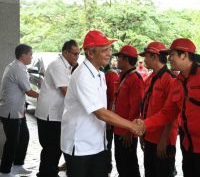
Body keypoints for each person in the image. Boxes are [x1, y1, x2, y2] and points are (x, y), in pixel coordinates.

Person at [135, 38, 200, 177]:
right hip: (188, 149)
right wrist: (145, 124)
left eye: (172, 55)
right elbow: (167, 113)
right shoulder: (177, 83)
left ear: (185, 55)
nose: (169, 58)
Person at [60, 30, 142, 177]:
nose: (109, 53)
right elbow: (100, 112)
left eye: (109, 49)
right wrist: (132, 126)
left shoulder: (99, 73)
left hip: (97, 144)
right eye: (104, 50)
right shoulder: (82, 76)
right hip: (80, 146)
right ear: (91, 53)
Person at [35, 40, 80, 177]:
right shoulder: (57, 65)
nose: (77, 57)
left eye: (78, 54)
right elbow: (66, 91)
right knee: (52, 149)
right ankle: (46, 174)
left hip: (57, 113)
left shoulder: (67, 66)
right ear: (65, 52)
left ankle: (48, 172)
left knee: (54, 149)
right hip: (49, 114)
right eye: (74, 54)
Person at [139, 41, 178, 177]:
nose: (144, 60)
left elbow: (172, 113)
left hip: (163, 141)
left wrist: (164, 140)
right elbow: (146, 107)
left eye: (146, 56)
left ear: (154, 57)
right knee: (150, 172)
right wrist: (143, 133)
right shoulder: (151, 78)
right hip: (149, 137)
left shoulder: (171, 80)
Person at [0, 44, 39, 177]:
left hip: (18, 111)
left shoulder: (17, 66)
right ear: (23, 56)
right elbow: (29, 91)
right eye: (30, 54)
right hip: (10, 112)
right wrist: (46, 95)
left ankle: (17, 165)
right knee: (12, 141)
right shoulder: (18, 69)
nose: (32, 57)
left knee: (24, 137)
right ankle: (4, 171)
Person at [112, 45, 144, 177]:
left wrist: (129, 130)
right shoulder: (123, 76)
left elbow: (136, 108)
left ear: (126, 60)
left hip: (126, 131)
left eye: (119, 57)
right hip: (119, 128)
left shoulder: (135, 79)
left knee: (128, 165)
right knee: (120, 162)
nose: (117, 60)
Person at [104, 63, 119, 176]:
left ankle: (107, 168)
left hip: (107, 117)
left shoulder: (111, 76)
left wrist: (109, 118)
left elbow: (113, 98)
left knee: (107, 143)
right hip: (104, 116)